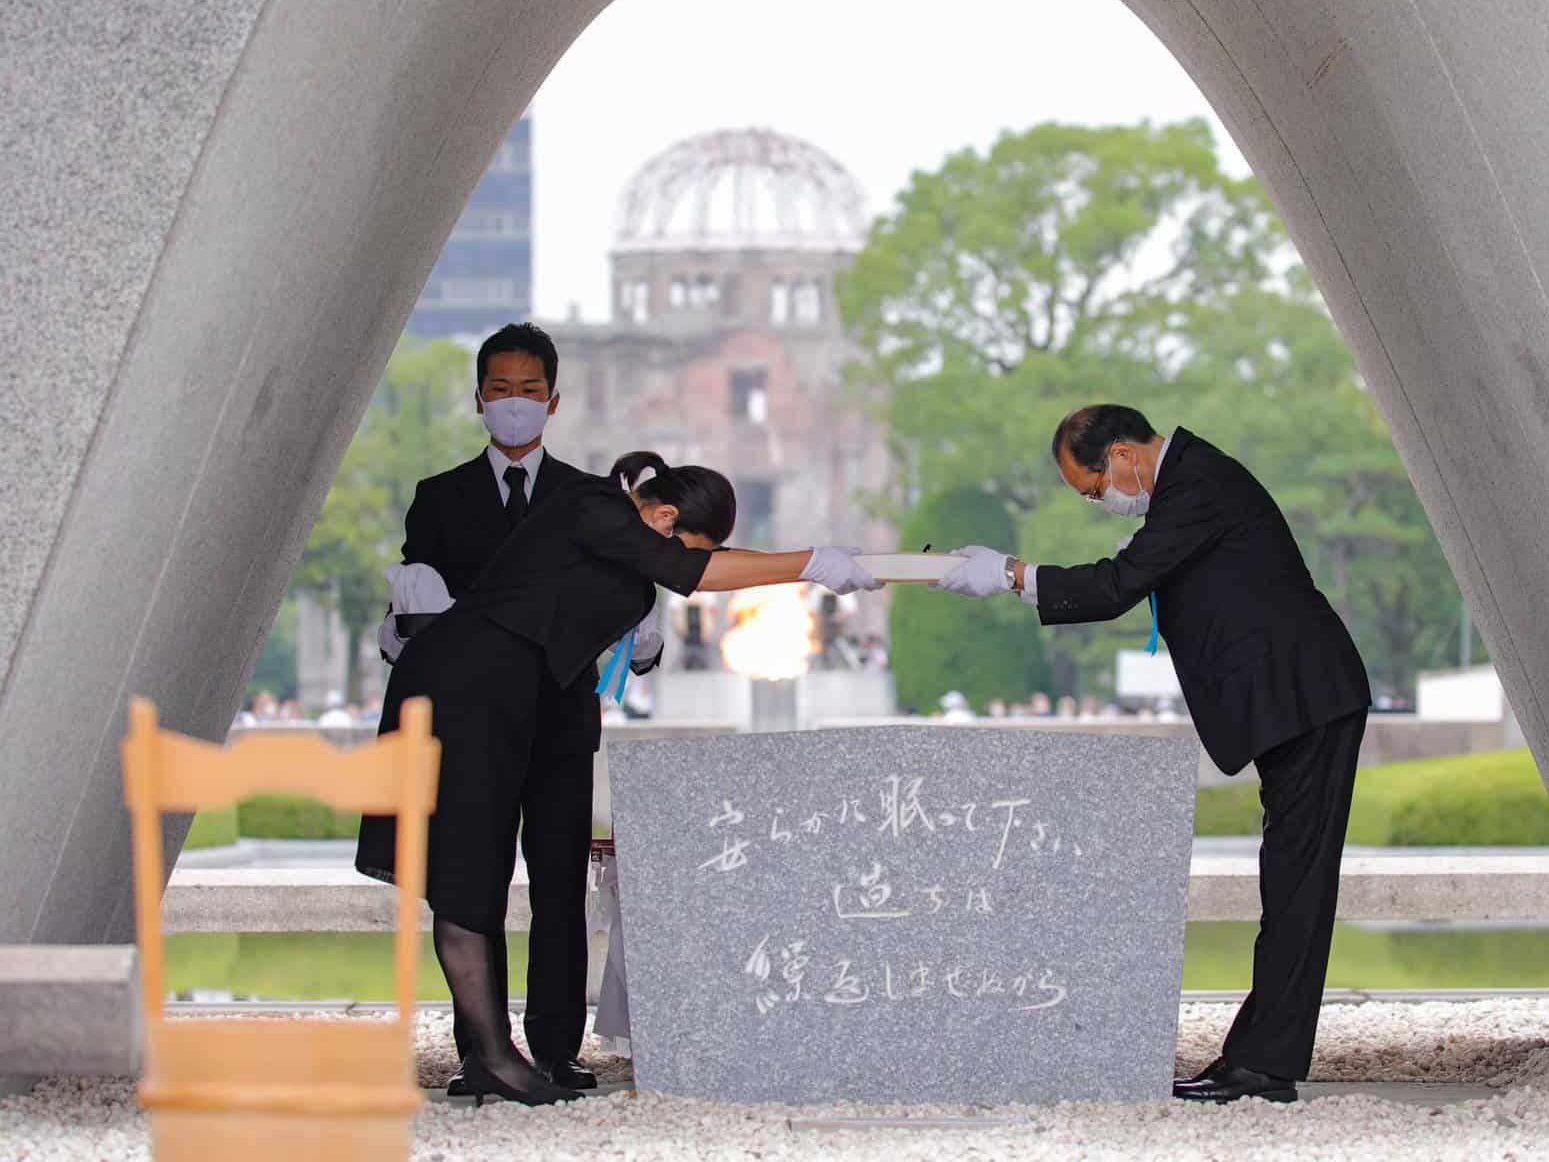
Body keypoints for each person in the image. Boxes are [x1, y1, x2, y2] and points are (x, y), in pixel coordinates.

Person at [355, 450, 879, 1105]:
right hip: (461, 686)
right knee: (465, 871)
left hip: (503, 699)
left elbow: (691, 562)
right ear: (661, 515)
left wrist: (794, 563)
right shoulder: (593, 506)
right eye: (681, 542)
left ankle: (497, 1053)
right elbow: (689, 569)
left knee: (478, 867)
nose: (675, 563)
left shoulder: (623, 548)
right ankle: (491, 1055)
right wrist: (805, 564)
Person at [935, 404, 1370, 1105]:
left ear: (1123, 454)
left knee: (1297, 887)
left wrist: (1013, 575)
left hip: (1307, 696)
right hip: (1293, 702)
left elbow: (1115, 586)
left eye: (1092, 487)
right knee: (1288, 883)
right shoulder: (1189, 483)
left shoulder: (1198, 484)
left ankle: (1264, 1066)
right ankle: (1258, 1057)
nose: (1101, 501)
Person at [371, 322, 609, 1096]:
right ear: (478, 398)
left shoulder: (587, 498)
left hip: (560, 718)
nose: (515, 403)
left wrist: (644, 641)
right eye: (501, 389)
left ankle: (557, 1045)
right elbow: (417, 615)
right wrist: (396, 628)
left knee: (558, 881)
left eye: (529, 391)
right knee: (471, 881)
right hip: (471, 729)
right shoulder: (438, 499)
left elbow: (614, 602)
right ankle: (484, 1046)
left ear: (554, 401)